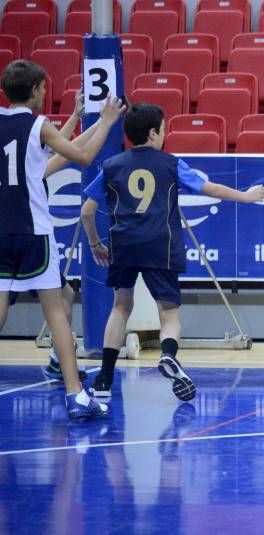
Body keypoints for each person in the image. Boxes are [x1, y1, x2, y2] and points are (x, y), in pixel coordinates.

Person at [80, 102, 264, 401]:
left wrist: (94, 244)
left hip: (123, 244)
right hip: (160, 245)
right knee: (169, 313)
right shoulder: (171, 163)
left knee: (120, 307)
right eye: (164, 130)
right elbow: (211, 189)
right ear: (153, 133)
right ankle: (168, 355)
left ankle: (104, 378)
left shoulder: (111, 166)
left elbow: (87, 212)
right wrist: (246, 196)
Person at [0, 59, 124, 419]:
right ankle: (75, 394)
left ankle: (65, 377)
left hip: (2, 230)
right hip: (32, 231)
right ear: (37, 90)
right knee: (57, 312)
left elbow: (49, 157)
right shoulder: (38, 125)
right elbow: (82, 156)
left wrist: (81, 119)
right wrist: (107, 121)